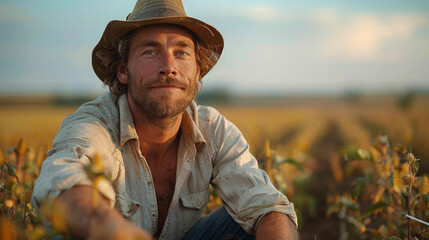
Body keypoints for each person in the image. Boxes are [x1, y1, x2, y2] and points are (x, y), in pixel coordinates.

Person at [32, 0, 299, 239]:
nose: (168, 66)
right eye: (150, 51)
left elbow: (265, 203)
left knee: (256, 221)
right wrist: (111, 229)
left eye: (181, 52)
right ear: (123, 71)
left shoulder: (213, 128)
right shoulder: (95, 124)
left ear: (197, 72)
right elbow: (64, 180)